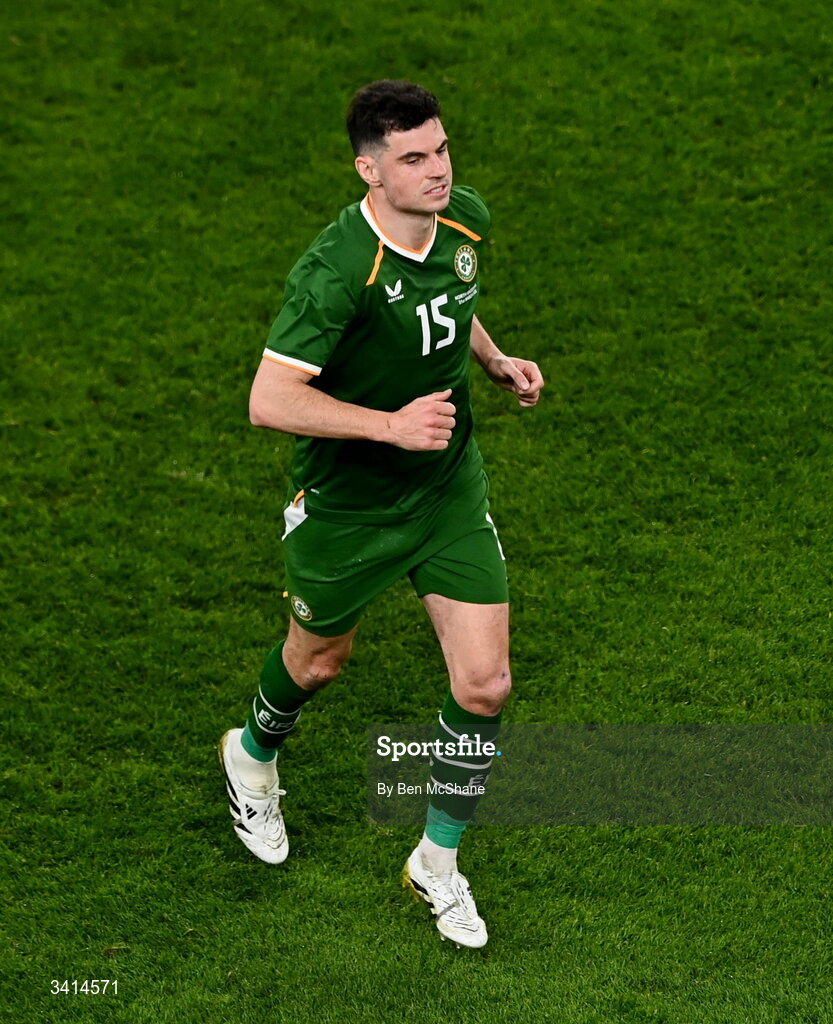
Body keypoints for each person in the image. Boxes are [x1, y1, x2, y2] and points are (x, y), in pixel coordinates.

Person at [218, 79, 544, 949]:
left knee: (486, 683)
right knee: (319, 662)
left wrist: (494, 359)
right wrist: (389, 426)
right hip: (348, 505)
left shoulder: (463, 220)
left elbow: (452, 306)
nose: (437, 171)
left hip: (445, 489)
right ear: (369, 171)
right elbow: (268, 399)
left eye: (439, 150)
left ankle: (435, 864)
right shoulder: (335, 274)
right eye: (412, 158)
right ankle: (252, 752)